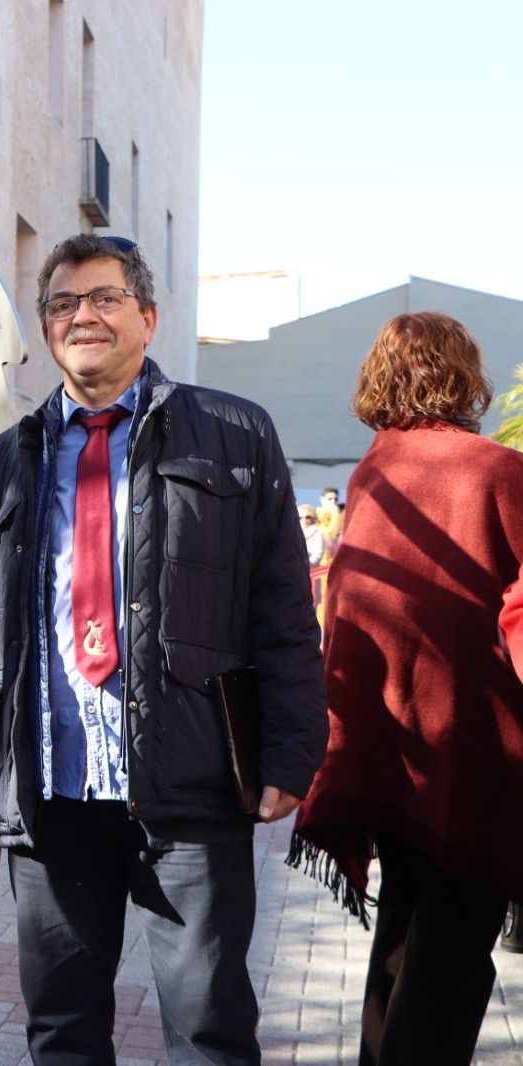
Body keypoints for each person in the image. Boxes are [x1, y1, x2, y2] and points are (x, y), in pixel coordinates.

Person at [0, 233, 326, 1065]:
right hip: (52, 796)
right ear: (46, 331)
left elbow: (283, 609)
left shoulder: (233, 434)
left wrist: (292, 751)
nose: (84, 315)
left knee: (208, 1031)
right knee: (63, 1032)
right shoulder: (7, 460)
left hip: (192, 791)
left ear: (148, 317)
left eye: (105, 297)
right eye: (64, 303)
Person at [291, 311, 523, 1066]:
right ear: (465, 372)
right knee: (453, 951)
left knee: (405, 935)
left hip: (387, 749)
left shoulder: (375, 470)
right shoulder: (496, 470)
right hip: (476, 752)